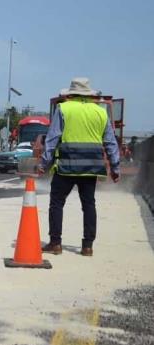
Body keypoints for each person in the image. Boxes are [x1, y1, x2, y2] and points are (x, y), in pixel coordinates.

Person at [38, 77, 120, 257]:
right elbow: (110, 143)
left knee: (57, 203)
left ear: (70, 94)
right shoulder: (100, 112)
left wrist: (43, 163)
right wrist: (115, 168)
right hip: (91, 168)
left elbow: (52, 139)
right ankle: (87, 246)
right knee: (89, 204)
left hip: (66, 167)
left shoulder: (64, 109)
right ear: (89, 95)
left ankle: (56, 243)